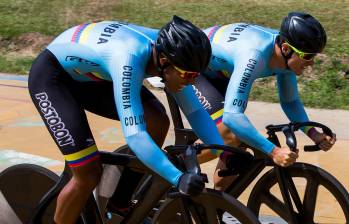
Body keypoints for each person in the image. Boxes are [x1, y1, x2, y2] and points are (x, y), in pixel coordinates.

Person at [28, 15, 224, 224]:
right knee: (88, 173)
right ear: (165, 62)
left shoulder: (170, 56)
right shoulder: (128, 58)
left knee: (157, 122)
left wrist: (221, 148)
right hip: (54, 78)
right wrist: (178, 178)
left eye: (197, 76)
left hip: (94, 75)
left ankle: (120, 203)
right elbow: (135, 135)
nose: (193, 81)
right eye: (188, 75)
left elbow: (194, 111)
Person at [192, 12, 337, 190]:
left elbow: (290, 103)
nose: (311, 63)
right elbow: (232, 116)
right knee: (231, 133)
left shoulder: (286, 56)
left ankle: (214, 206)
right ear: (285, 49)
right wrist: (274, 151)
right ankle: (170, 167)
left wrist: (314, 134)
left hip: (223, 71)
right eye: (307, 56)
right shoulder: (254, 56)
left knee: (237, 158)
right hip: (192, 69)